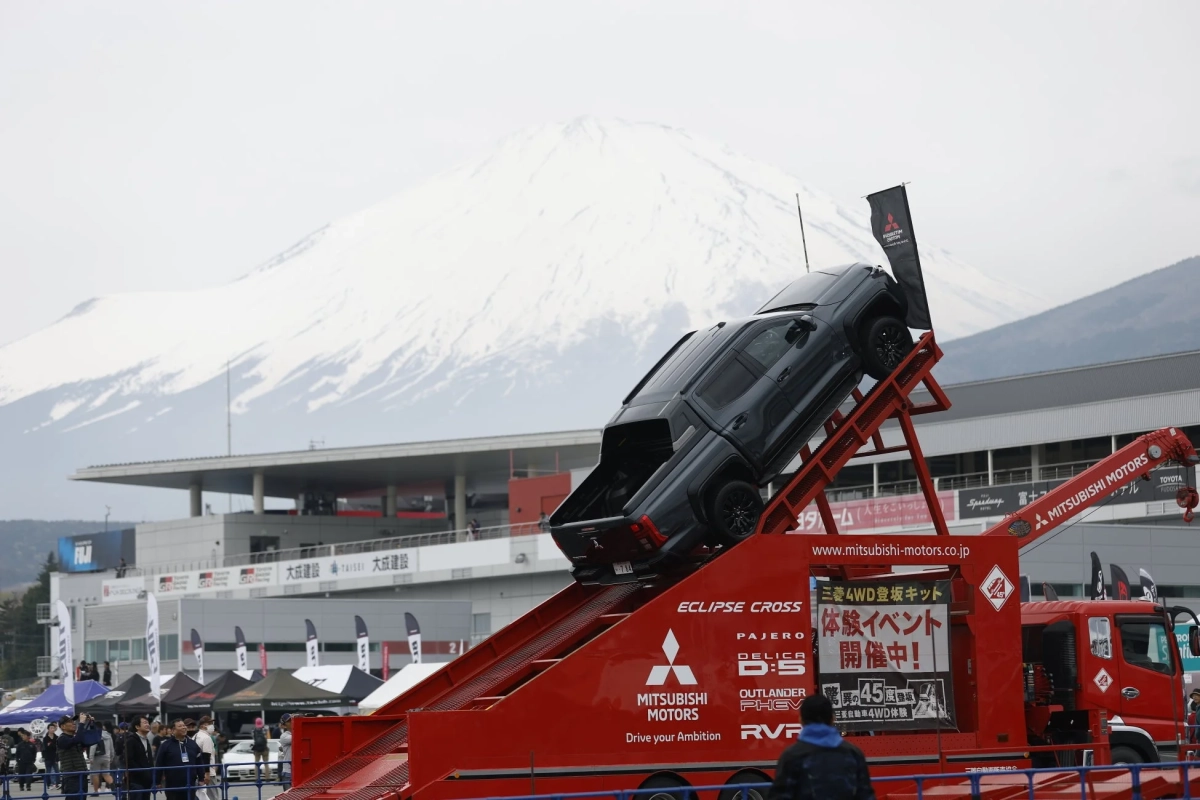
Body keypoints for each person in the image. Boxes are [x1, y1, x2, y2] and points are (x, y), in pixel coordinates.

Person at [767, 695, 874, 800]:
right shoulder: (853, 753)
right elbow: (866, 795)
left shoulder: (791, 756)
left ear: (801, 720)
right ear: (833, 718)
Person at [154, 719, 208, 800]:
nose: (184, 727)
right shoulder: (165, 745)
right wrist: (157, 781)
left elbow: (199, 761)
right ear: (173, 730)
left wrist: (201, 778)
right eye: (180, 726)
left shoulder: (192, 744)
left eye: (184, 725)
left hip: (190, 783)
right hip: (172, 785)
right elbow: (159, 763)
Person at [57, 713, 103, 800]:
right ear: (63, 726)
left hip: (82, 774)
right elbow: (76, 740)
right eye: (70, 722)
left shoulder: (75, 738)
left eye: (74, 721)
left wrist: (92, 723)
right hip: (71, 776)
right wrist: (81, 723)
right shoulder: (62, 739)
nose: (74, 723)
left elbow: (94, 739)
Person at [124, 716, 154, 800]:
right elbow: (128, 759)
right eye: (144, 723)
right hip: (136, 780)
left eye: (148, 723)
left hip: (147, 779)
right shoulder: (131, 740)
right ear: (137, 727)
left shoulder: (146, 740)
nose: (147, 725)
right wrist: (140, 771)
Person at [186, 717, 217, 800]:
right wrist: (207, 773)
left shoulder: (195, 736)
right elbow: (206, 756)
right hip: (208, 772)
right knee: (212, 797)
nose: (212, 726)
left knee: (200, 796)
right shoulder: (206, 738)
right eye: (210, 724)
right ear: (204, 726)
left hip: (198, 772)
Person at [90, 720, 116, 795]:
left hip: (97, 758)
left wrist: (91, 757)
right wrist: (111, 757)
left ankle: (96, 791)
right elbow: (112, 748)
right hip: (107, 757)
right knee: (106, 774)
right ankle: (114, 788)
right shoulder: (108, 735)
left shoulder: (95, 735)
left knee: (95, 774)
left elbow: (93, 746)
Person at [277, 714, 294, 789]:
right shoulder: (284, 736)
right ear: (284, 726)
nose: (292, 722)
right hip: (288, 772)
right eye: (289, 721)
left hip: (298, 771)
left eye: (292, 720)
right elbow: (297, 737)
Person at [44, 721, 60, 788]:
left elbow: (57, 747)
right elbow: (46, 747)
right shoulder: (45, 738)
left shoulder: (57, 737)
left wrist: (51, 744)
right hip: (48, 757)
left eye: (53, 728)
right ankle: (48, 784)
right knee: (48, 771)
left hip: (55, 756)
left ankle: (57, 784)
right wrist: (51, 745)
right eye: (51, 728)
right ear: (48, 729)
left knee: (57, 771)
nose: (52, 729)